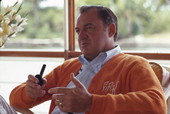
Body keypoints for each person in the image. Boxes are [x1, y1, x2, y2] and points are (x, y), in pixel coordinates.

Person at [9, 5, 167, 114]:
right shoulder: (68, 67)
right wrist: (30, 93)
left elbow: (156, 106)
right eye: (78, 30)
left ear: (111, 30)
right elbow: (15, 100)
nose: (81, 36)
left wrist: (91, 103)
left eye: (89, 28)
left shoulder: (134, 65)